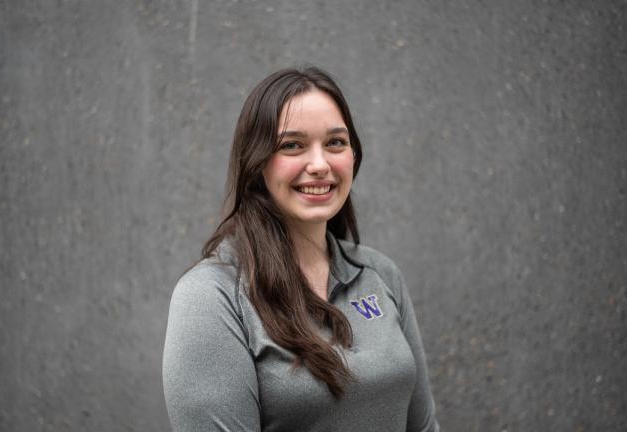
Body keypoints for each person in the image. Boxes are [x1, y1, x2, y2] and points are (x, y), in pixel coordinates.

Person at [162, 66, 440, 432]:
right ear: (257, 162)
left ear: (353, 156)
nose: (320, 164)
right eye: (292, 145)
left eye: (335, 143)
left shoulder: (380, 274)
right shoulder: (211, 297)